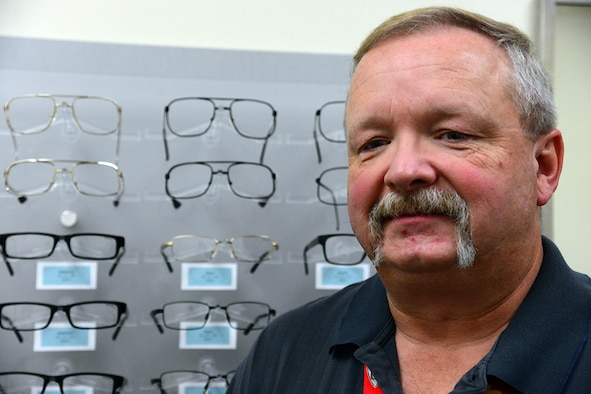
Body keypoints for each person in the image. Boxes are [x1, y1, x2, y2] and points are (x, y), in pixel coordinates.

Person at [227, 6, 591, 393]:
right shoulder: (286, 352)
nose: (402, 170)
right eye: (375, 143)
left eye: (453, 134)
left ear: (543, 167)